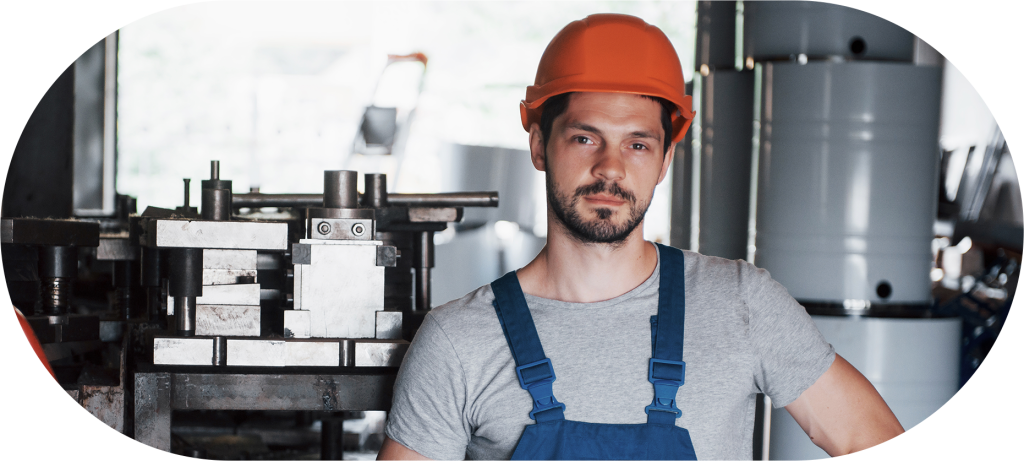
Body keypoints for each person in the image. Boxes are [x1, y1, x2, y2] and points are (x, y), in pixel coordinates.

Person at [377, 13, 905, 461]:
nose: (610, 169)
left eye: (637, 145)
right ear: (539, 145)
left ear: (665, 159)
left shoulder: (742, 304)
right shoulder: (458, 342)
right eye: (585, 138)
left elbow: (868, 435)